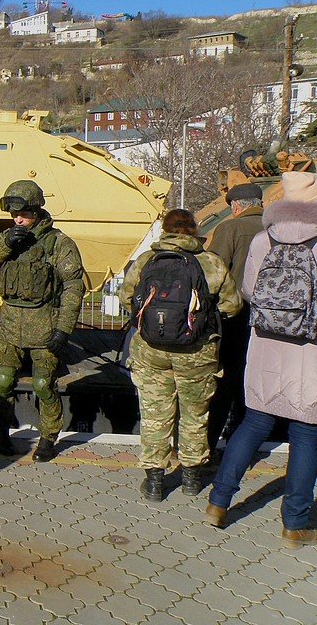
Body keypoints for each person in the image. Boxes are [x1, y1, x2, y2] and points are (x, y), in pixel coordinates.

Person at [206, 171, 317, 549]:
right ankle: (294, 525)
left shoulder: (261, 239)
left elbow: (250, 290)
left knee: (253, 422)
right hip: (310, 351)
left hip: (266, 345)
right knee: (306, 433)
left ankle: (219, 502)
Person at [120, 209, 241, 502]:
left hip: (151, 351)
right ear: (193, 230)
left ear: (165, 230)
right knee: (194, 415)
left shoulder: (146, 261)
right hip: (197, 353)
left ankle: (154, 483)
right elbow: (233, 305)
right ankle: (190, 479)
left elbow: (127, 300)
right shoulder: (209, 262)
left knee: (154, 415)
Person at [0, 180, 85, 463]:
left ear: (37, 211)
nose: (18, 219)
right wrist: (5, 244)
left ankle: (49, 437)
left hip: (44, 327)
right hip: (11, 326)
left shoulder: (58, 243)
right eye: (13, 215)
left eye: (22, 214)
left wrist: (64, 329)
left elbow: (74, 286)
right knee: (3, 381)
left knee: (43, 385)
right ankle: (1, 432)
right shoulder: (8, 239)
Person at [206, 182, 264, 455]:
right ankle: (244, 445)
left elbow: (213, 274)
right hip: (271, 321)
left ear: (235, 206)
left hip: (234, 318)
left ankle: (209, 445)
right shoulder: (274, 229)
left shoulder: (229, 229)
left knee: (225, 381)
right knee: (253, 384)